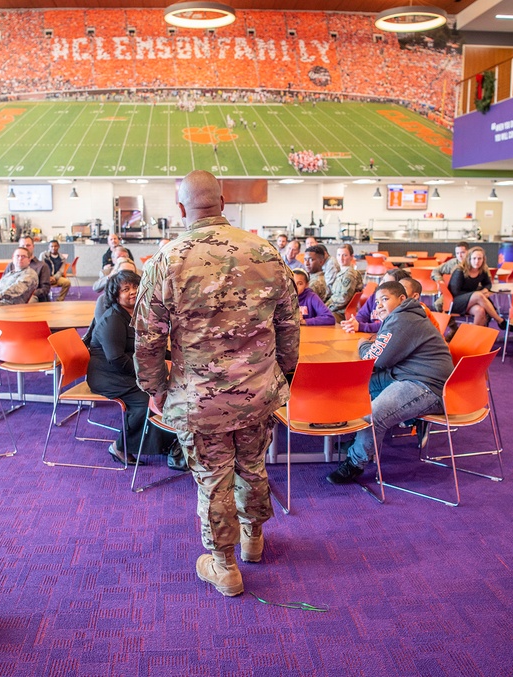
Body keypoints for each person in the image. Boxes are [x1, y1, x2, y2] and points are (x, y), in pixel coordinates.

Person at [133, 170, 300, 598]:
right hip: (258, 391)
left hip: (199, 399)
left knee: (213, 480)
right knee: (253, 466)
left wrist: (153, 388)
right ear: (222, 201)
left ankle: (224, 566)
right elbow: (288, 324)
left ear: (182, 208)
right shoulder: (266, 252)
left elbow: (147, 338)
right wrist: (284, 372)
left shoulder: (166, 260)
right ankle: (254, 539)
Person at [326, 281, 454, 484]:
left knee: (375, 413)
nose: (379, 305)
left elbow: (375, 360)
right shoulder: (401, 316)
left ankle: (355, 462)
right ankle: (361, 439)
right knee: (355, 387)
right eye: (377, 301)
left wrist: (363, 345)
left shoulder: (404, 319)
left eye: (385, 299)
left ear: (402, 299)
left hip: (426, 385)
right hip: (404, 374)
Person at [87, 270, 183, 469]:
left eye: (135, 287)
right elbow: (116, 359)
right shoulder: (112, 320)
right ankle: (120, 447)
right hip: (109, 375)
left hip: (128, 371)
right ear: (115, 295)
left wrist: (175, 357)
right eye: (126, 289)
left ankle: (161, 444)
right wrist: (146, 376)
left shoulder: (140, 313)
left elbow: (151, 347)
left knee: (163, 392)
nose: (133, 292)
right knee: (145, 400)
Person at [448, 246, 509, 329]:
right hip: (455, 301)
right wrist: (474, 295)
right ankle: (500, 320)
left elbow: (488, 284)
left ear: (483, 260)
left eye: (479, 259)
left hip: (471, 300)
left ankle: (474, 337)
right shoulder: (460, 271)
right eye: (474, 258)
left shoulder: (481, 270)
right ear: (469, 259)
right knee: (478, 295)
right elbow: (455, 292)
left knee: (480, 310)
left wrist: (485, 290)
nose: (477, 261)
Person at [341, 269, 411, 334]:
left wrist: (362, 326)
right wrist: (354, 323)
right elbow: (362, 315)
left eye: (387, 283)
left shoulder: (398, 307)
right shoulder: (374, 297)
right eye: (383, 280)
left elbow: (388, 325)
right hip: (370, 336)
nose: (382, 284)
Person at [4, 236, 50, 302]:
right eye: (23, 245)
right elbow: (3, 283)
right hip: (11, 295)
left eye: (28, 245)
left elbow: (45, 289)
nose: (25, 247)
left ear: (33, 246)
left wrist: (26, 293)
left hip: (33, 297)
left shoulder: (42, 266)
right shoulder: (11, 265)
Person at [326, 243, 364, 318]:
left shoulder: (349, 275)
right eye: (339, 255)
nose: (341, 258)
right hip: (336, 310)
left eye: (345, 255)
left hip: (341, 313)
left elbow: (343, 299)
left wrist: (326, 309)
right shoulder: (341, 272)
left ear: (351, 257)